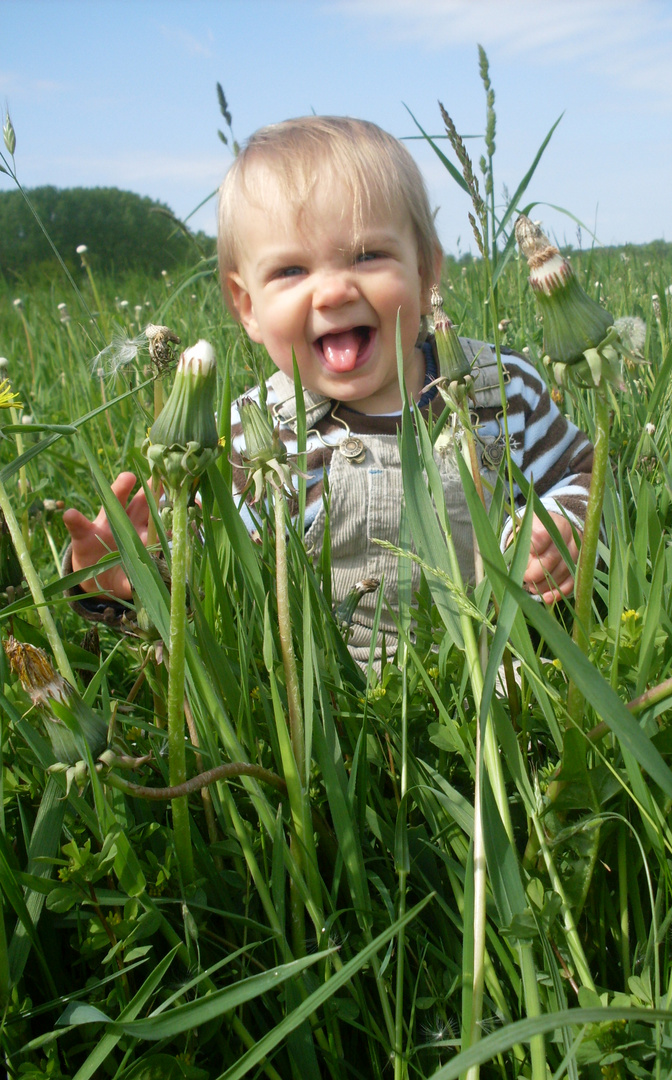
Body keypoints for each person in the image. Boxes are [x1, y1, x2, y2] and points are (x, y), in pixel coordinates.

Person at [63, 116, 592, 667]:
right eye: (291, 270)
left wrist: (565, 526)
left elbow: (584, 474)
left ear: (426, 270)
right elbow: (205, 587)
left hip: (510, 683)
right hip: (330, 719)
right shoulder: (252, 437)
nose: (335, 290)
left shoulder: (501, 389)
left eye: (367, 256)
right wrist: (127, 577)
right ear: (247, 308)